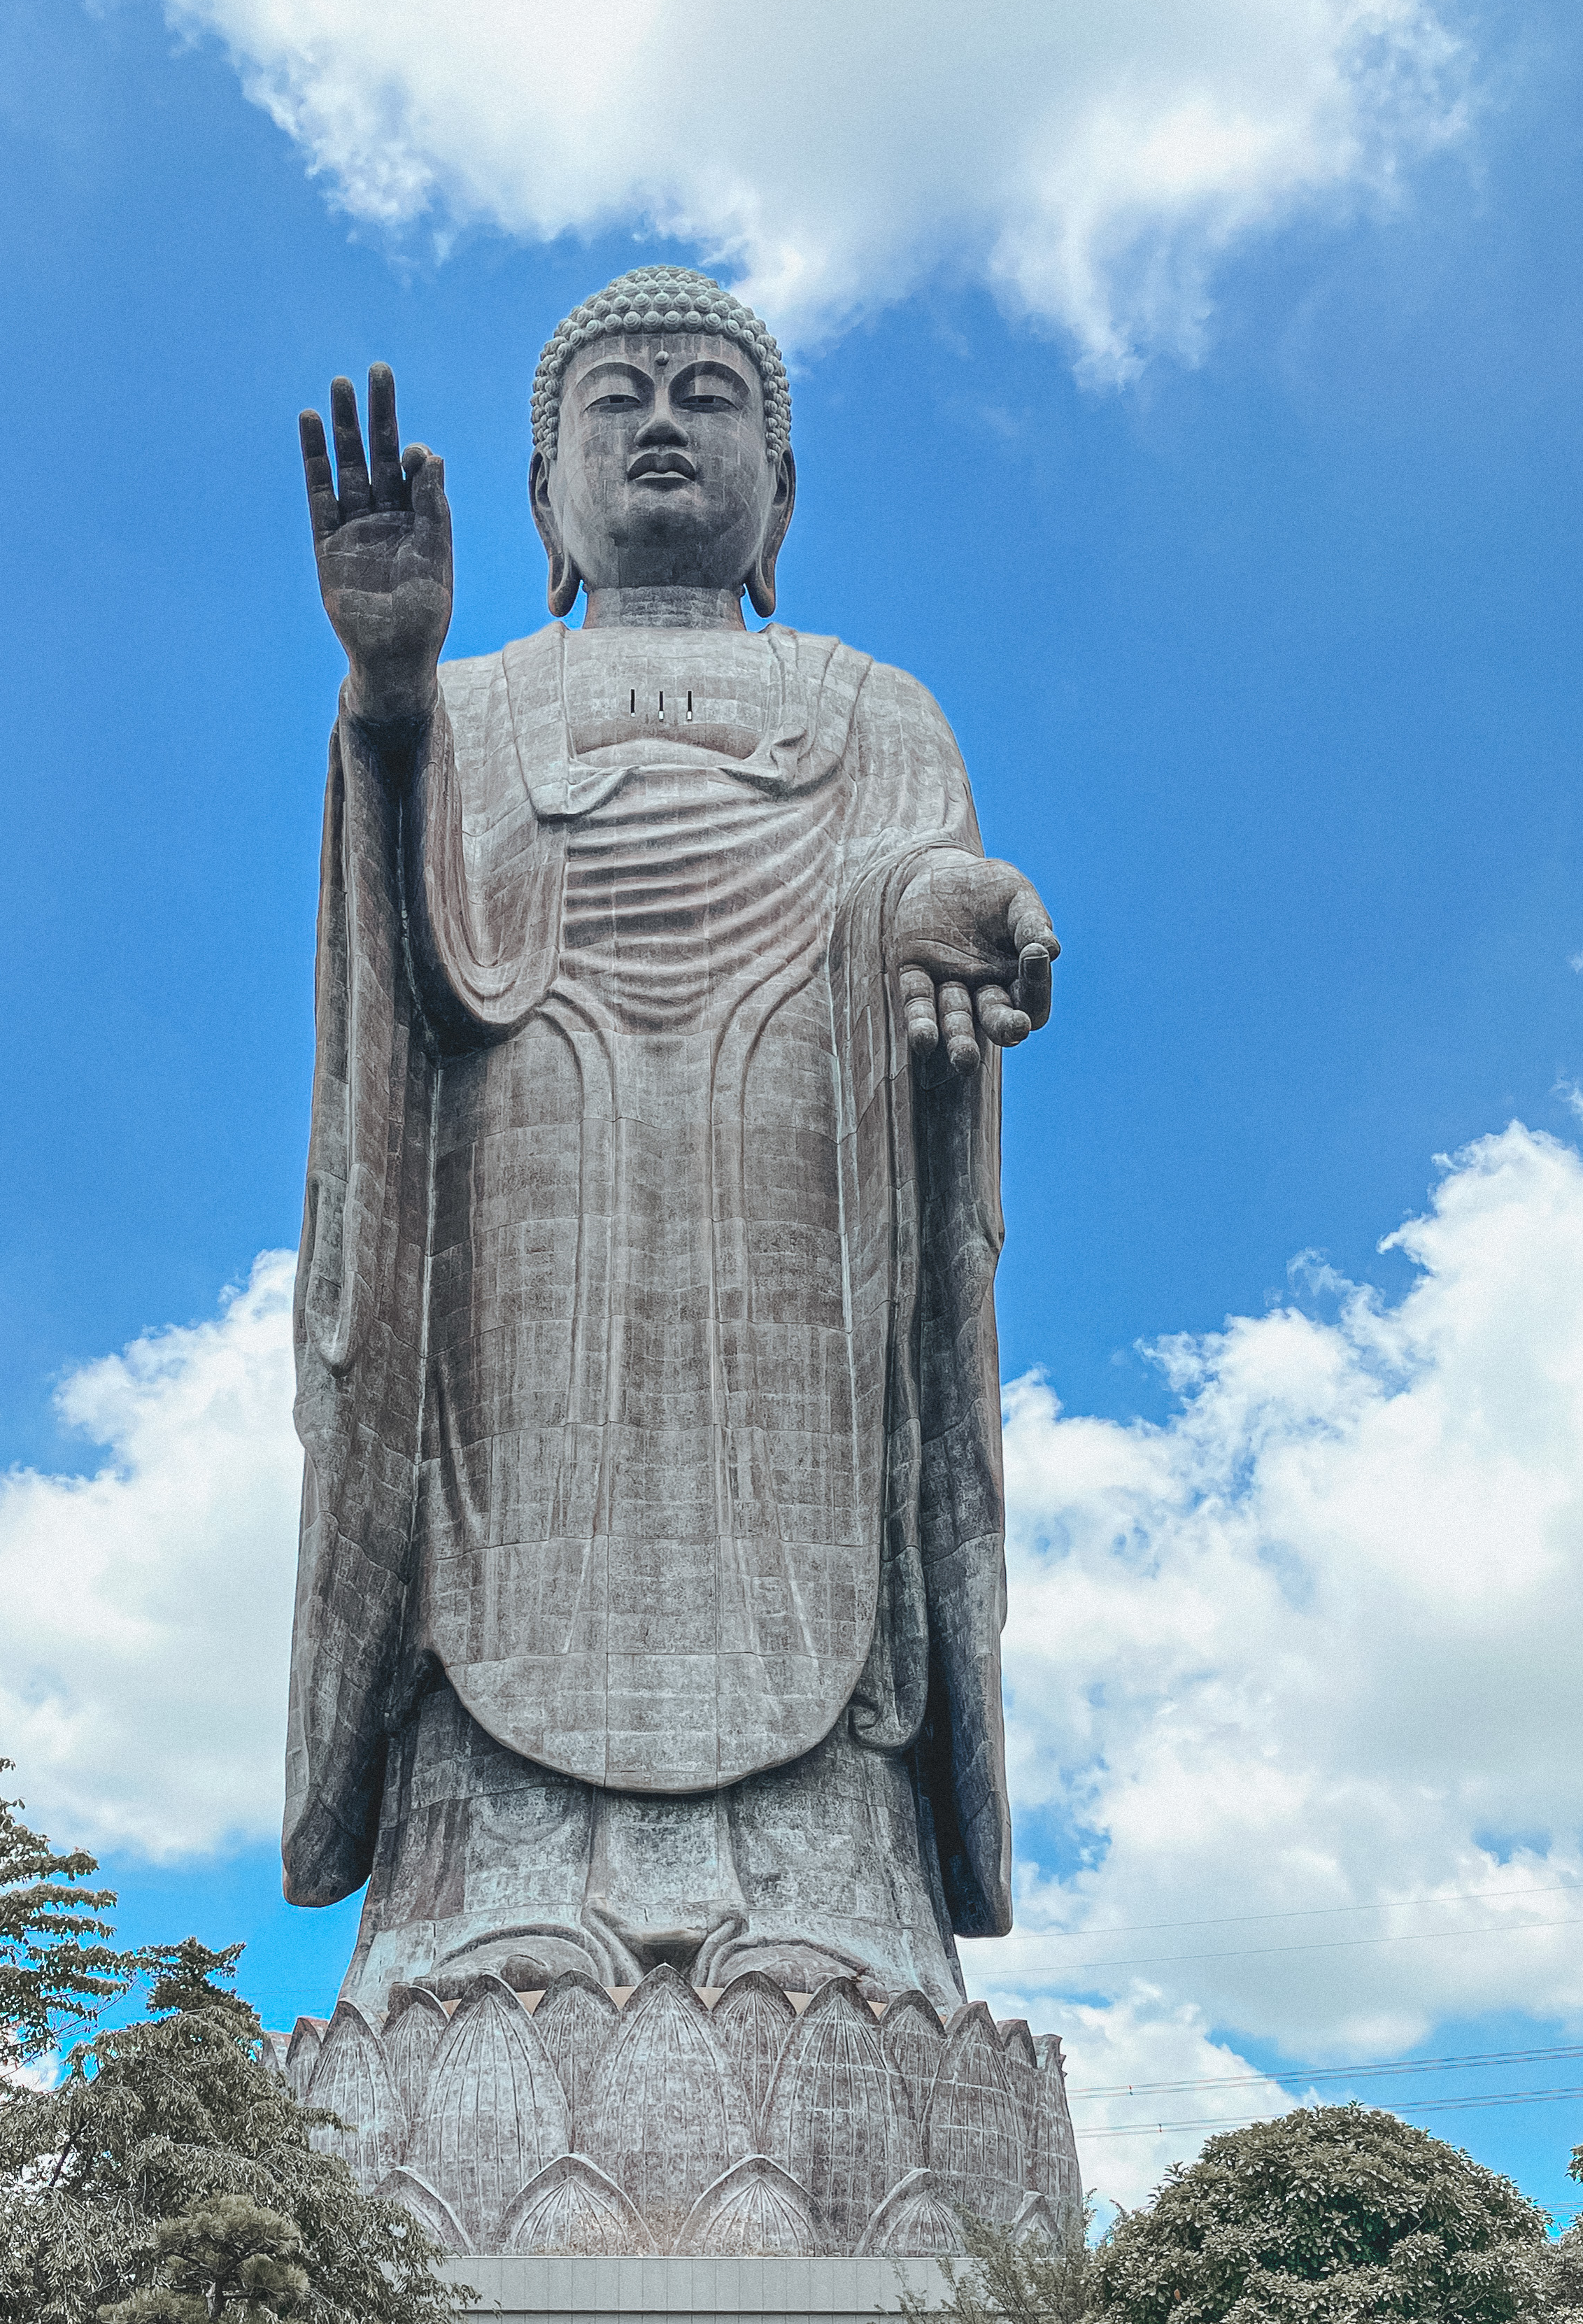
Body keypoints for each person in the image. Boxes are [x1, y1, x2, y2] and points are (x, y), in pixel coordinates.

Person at [283, 268, 1058, 2011]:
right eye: (613, 400)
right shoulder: (476, 700)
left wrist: (942, 912)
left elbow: (912, 877)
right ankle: (476, 1899)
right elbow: (410, 974)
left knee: (810, 1483)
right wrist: (391, 698)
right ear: (541, 491)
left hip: (798, 1178)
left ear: (779, 491)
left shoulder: (875, 705)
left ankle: (835, 1905)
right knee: (505, 1494)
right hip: (524, 1181)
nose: (657, 423)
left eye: (707, 395)